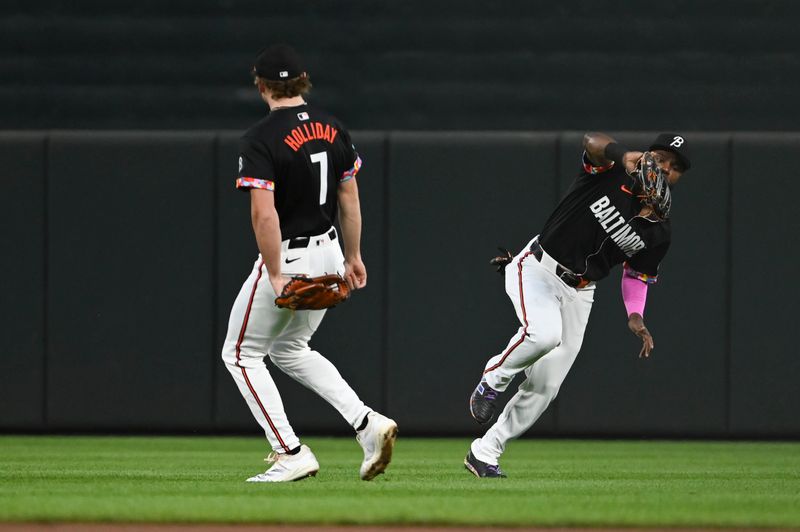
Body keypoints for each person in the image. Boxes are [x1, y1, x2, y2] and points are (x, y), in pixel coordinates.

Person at [465, 132, 691, 478]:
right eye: (661, 158)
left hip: (581, 291)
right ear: (646, 155)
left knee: (547, 383)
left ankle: (485, 452)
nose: (666, 168)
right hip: (539, 268)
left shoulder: (660, 231)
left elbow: (636, 274)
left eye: (675, 167)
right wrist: (619, 153)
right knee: (544, 335)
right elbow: (591, 141)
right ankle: (493, 379)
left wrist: (635, 315)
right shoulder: (611, 171)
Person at [221, 44, 397, 483]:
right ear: (303, 82)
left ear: (261, 85)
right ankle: (367, 423)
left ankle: (289, 452)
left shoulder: (260, 137)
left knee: (240, 354)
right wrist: (353, 256)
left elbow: (264, 213)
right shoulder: (332, 126)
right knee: (289, 349)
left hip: (291, 253)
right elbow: (349, 198)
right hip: (330, 250)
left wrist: (276, 272)